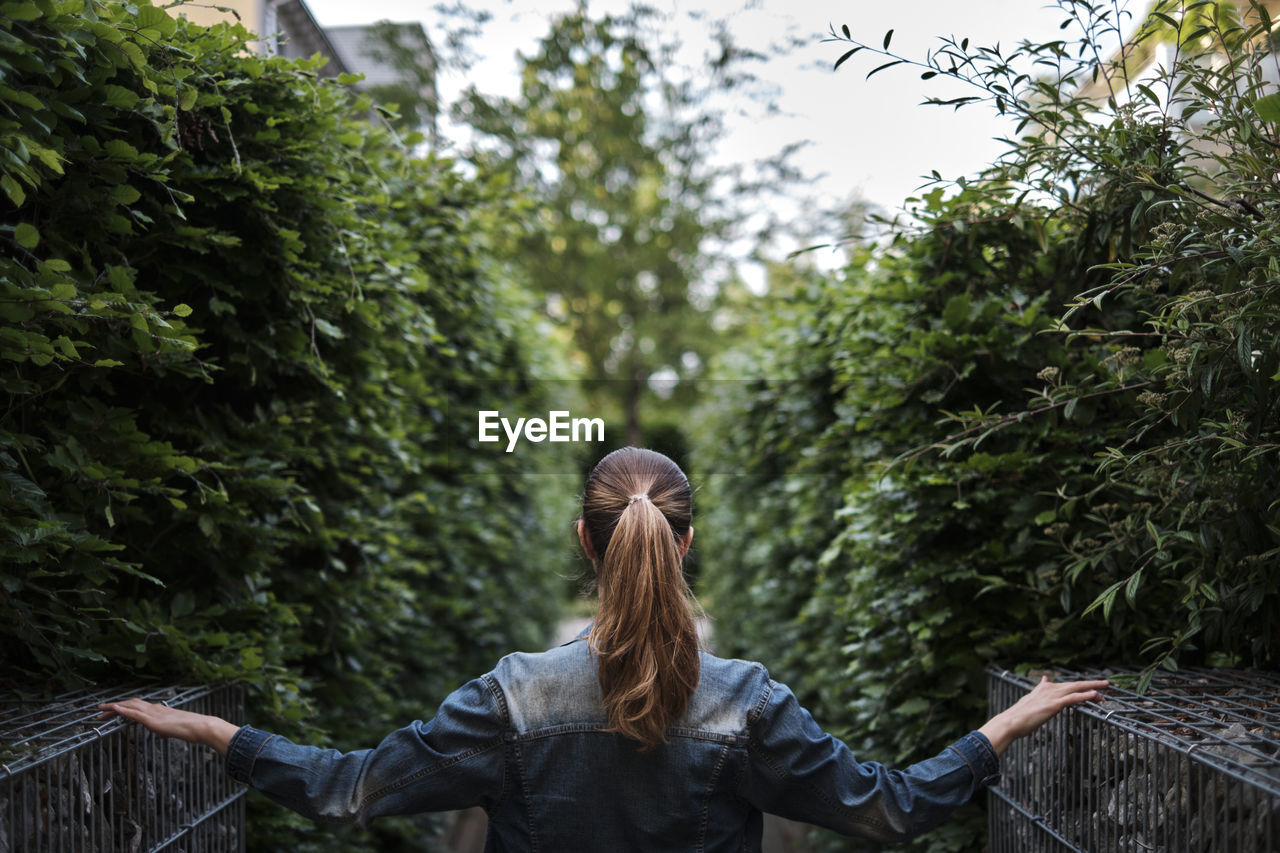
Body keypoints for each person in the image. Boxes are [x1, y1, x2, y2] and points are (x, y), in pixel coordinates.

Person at [97, 446, 1107, 851]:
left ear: (585, 542)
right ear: (688, 543)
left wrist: (213, 728)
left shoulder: (512, 696)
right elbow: (887, 810)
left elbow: (346, 787)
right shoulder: (746, 702)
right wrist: (1005, 722)